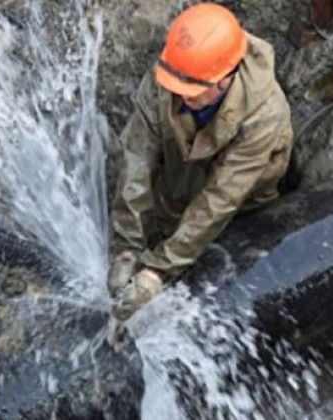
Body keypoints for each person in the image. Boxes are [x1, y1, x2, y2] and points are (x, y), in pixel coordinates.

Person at [108, 3, 294, 323]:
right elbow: (137, 157)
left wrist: (158, 270)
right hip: (182, 172)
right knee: (166, 213)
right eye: (178, 89)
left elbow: (221, 198)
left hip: (244, 200)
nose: (182, 97)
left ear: (226, 78)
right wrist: (127, 245)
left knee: (221, 260)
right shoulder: (173, 73)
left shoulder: (265, 114)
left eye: (194, 91)